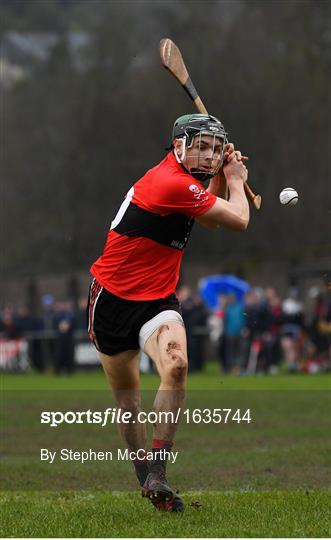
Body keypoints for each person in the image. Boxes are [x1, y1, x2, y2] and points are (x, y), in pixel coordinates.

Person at [87, 113, 249, 512]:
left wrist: (222, 177)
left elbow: (210, 220)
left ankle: (158, 471)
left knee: (176, 365)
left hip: (158, 299)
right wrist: (237, 180)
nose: (210, 155)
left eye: (215, 147)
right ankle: (144, 474)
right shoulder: (170, 184)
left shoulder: (185, 182)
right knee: (128, 404)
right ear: (179, 146)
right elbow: (239, 220)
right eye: (202, 146)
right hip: (112, 301)